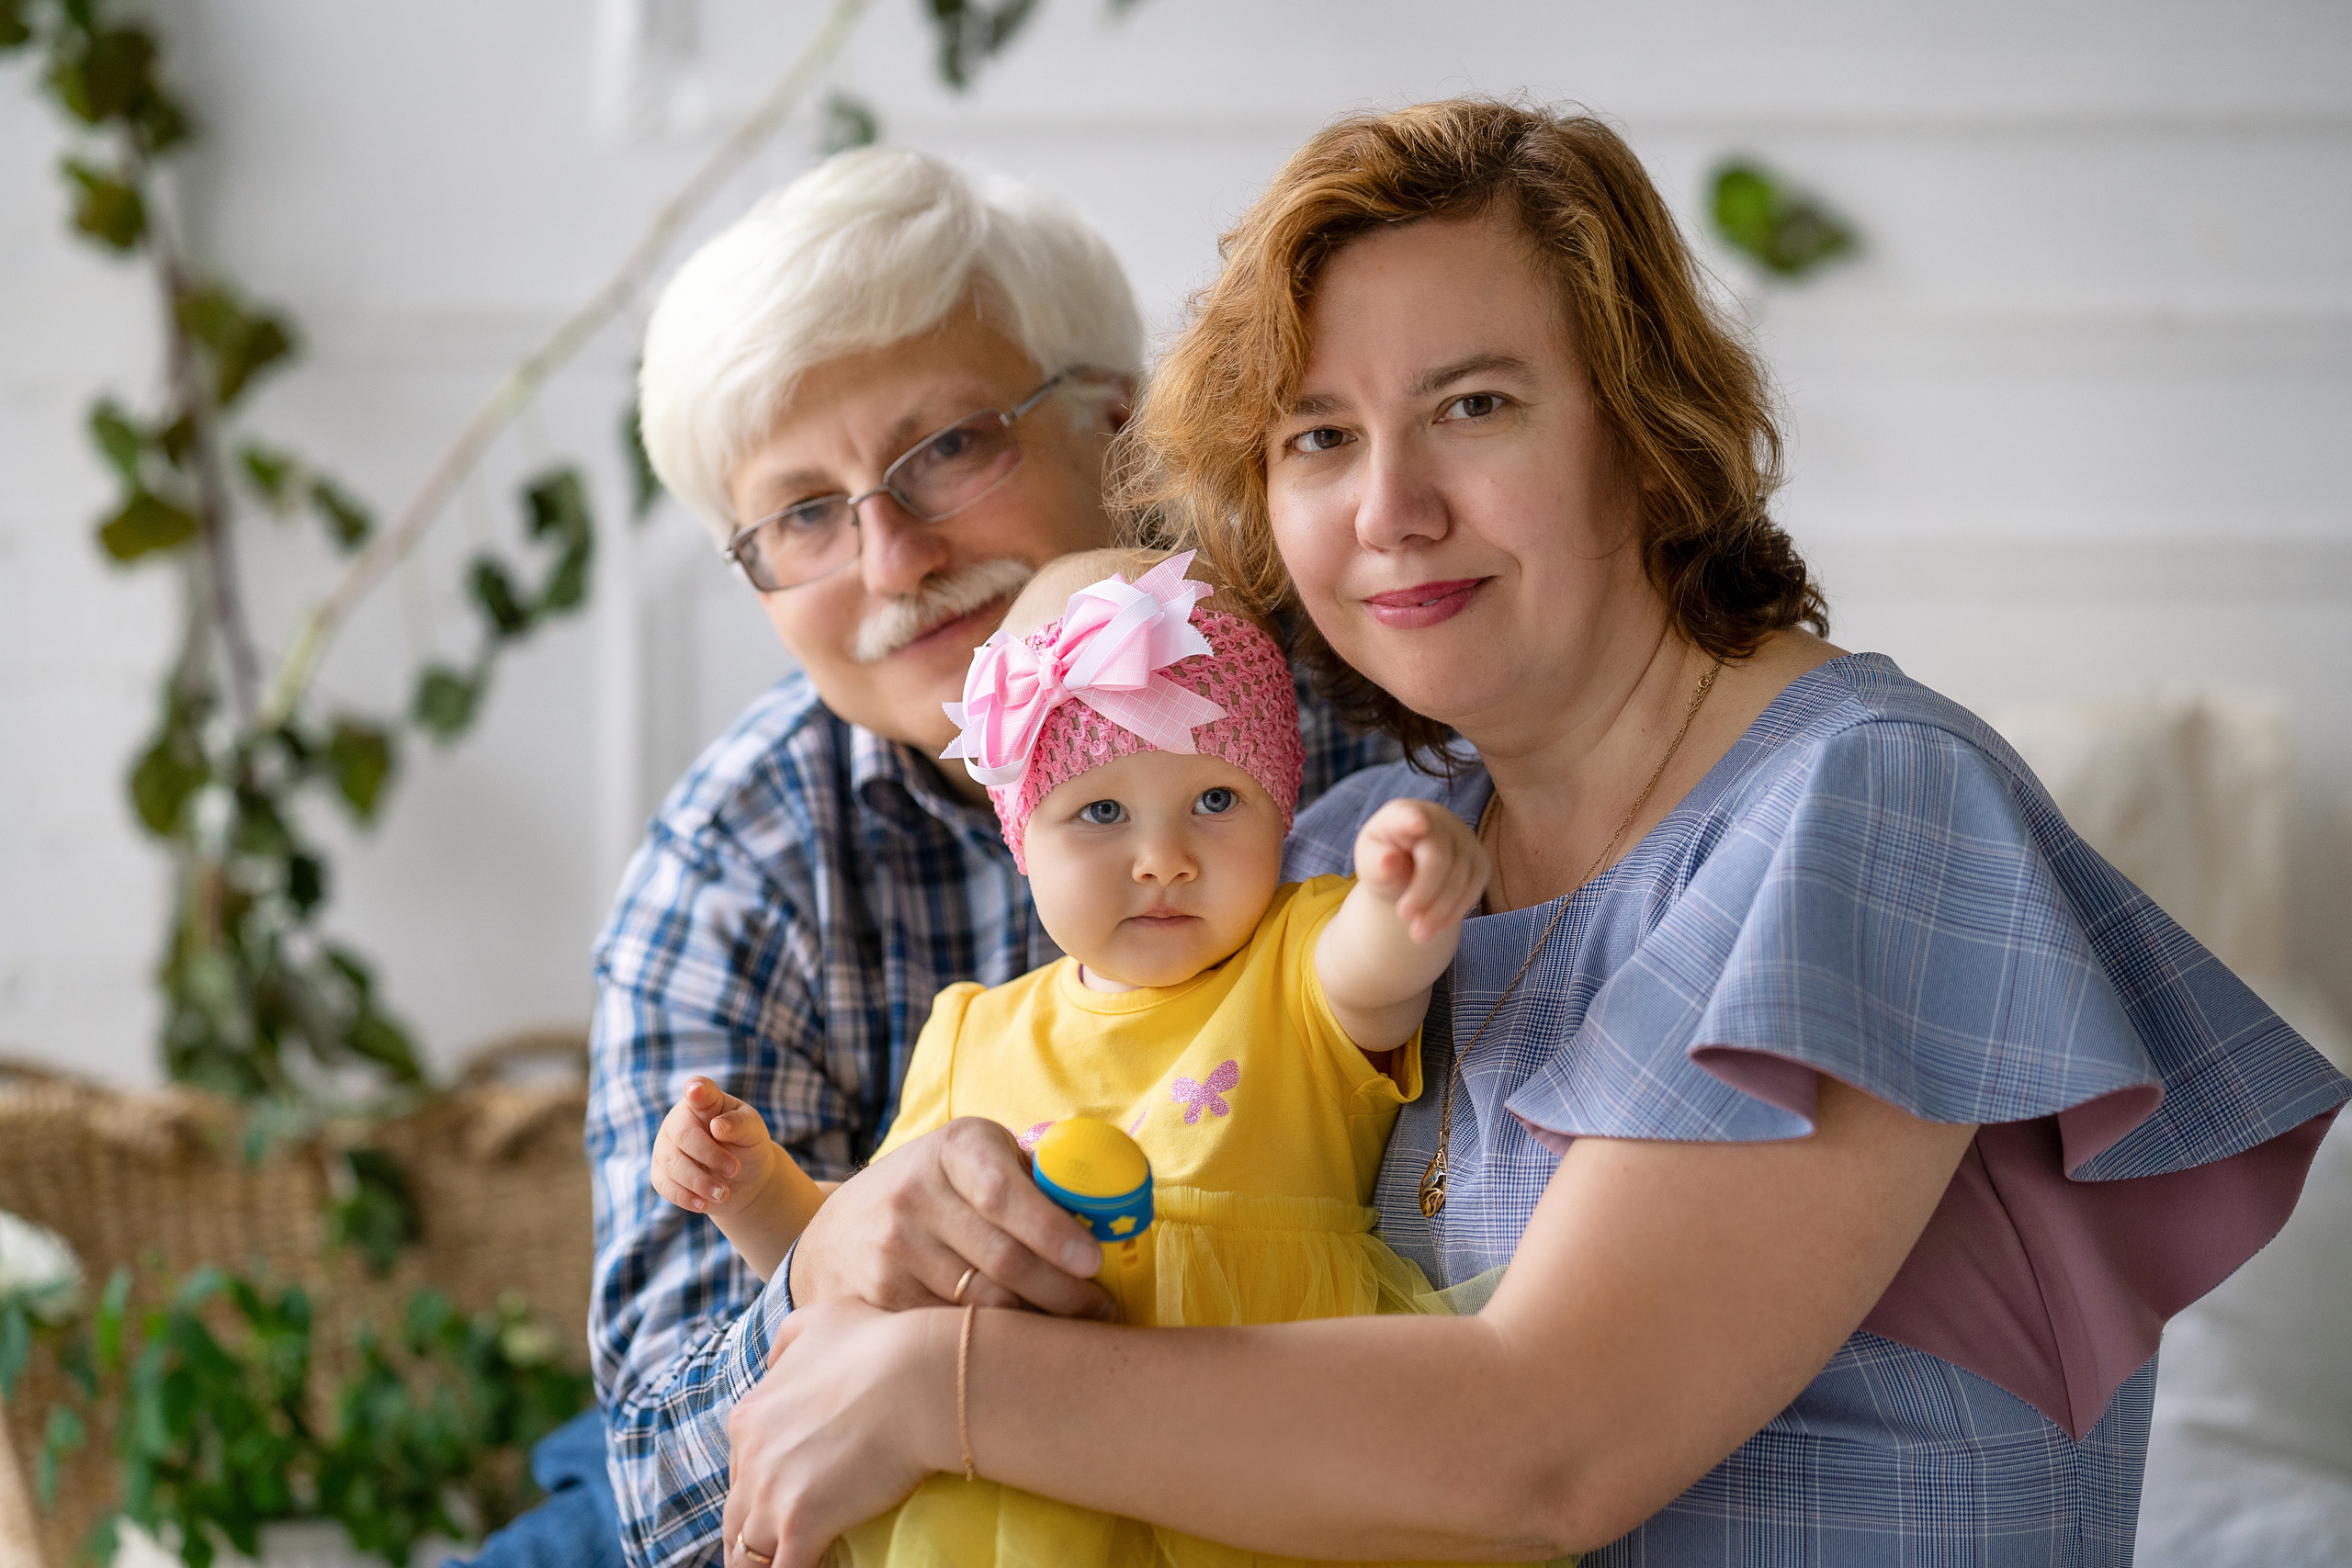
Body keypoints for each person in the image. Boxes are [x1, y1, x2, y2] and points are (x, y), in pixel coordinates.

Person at [715, 101, 2352, 1568]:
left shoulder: (1865, 804)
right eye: (1318, 437)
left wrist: (956, 1384)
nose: (1389, 508)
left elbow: (1549, 1443)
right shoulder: (1356, 860)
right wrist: (902, 1235)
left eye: (1475, 404)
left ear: (1640, 437)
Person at [552, 148, 1403, 1568]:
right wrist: (820, 1265)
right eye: (803, 514)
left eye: (946, 446)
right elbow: (658, 1491)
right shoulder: (736, 867)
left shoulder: (1367, 705)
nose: (893, 560)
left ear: (1121, 431)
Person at [654, 546, 1518, 1568]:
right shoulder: (973, 1031)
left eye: (1214, 801)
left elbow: (1377, 977)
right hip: (1003, 1504)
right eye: (1100, 813)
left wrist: (1404, 889)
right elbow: (865, 1268)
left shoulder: (1297, 956)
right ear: (1025, 837)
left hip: (1255, 1480)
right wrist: (757, 1196)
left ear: (1281, 811)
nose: (1162, 857)